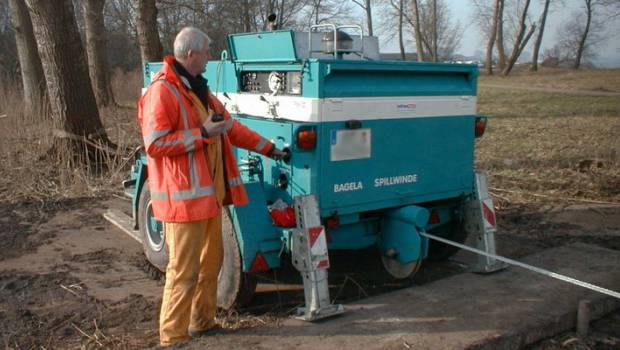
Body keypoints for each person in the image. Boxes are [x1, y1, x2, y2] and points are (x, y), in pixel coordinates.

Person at [137, 27, 286, 346]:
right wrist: (202, 133)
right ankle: (173, 336)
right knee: (182, 271)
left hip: (209, 200)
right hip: (183, 203)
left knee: (209, 266)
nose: (210, 54)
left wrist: (269, 148)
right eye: (206, 50)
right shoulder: (162, 92)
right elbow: (156, 144)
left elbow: (231, 128)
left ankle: (202, 323)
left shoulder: (198, 90)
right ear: (190, 54)